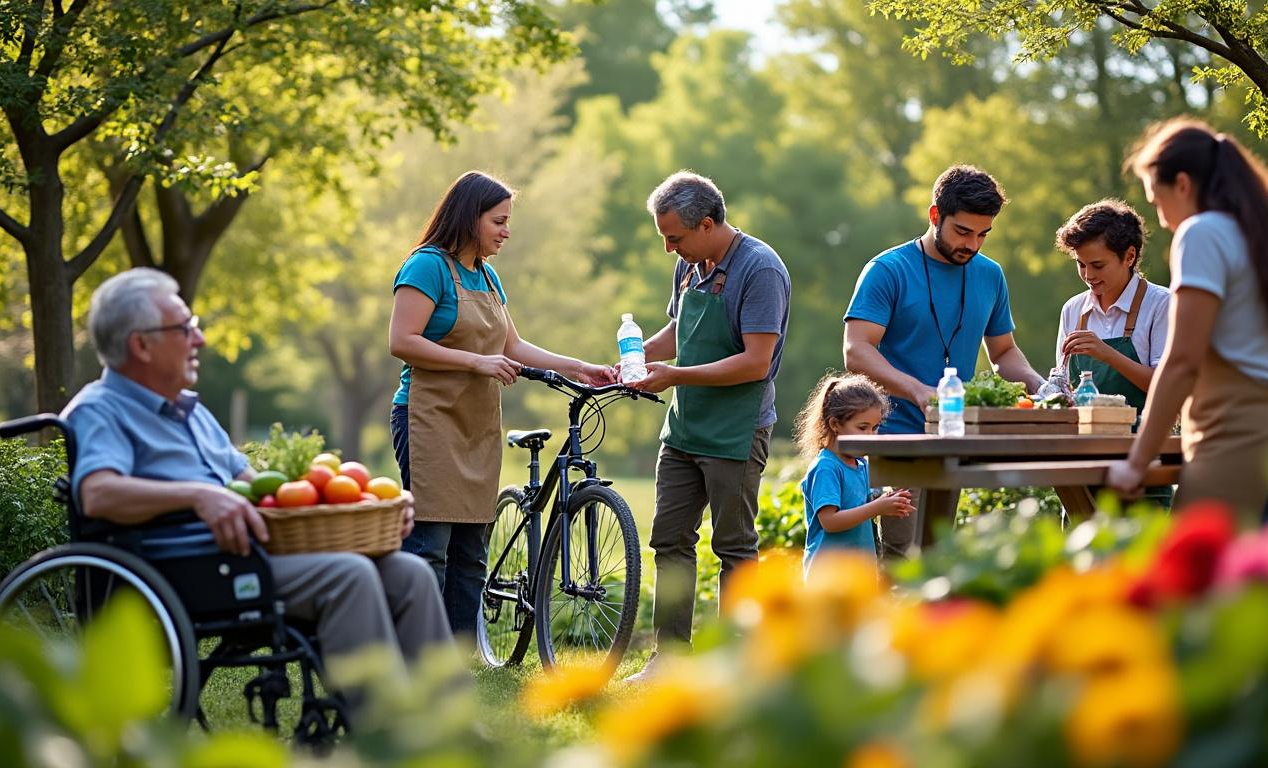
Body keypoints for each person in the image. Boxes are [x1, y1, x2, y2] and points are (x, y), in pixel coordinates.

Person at [63, 268, 452, 694]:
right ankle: (388, 740)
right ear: (141, 344)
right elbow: (97, 494)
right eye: (185, 328)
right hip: (185, 570)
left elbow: (259, 486)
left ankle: (453, 727)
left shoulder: (188, 410)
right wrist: (198, 496)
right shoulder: (99, 410)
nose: (200, 339)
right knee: (350, 575)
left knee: (409, 573)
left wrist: (360, 505)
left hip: (248, 555)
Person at [387, 170, 615, 636]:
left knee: (472, 549)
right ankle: (417, 654)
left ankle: (460, 654)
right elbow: (401, 341)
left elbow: (511, 345)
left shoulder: (487, 276)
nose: (507, 231)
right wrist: (475, 362)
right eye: (499, 221)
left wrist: (578, 367)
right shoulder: (426, 267)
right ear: (470, 217)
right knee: (431, 544)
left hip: (475, 422)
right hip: (426, 417)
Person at [1106, 119, 1268, 522]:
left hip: (1238, 451)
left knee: (1191, 584)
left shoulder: (1201, 233)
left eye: (1157, 202)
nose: (1163, 221)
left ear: (1184, 185)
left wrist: (1137, 463)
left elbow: (1182, 361)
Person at [625, 171, 791, 679]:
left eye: (674, 238)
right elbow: (681, 328)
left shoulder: (760, 269)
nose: (669, 249)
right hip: (684, 427)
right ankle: (669, 660)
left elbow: (755, 361)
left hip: (736, 432)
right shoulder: (690, 265)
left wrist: (674, 375)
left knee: (734, 548)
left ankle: (738, 665)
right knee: (669, 541)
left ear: (708, 223)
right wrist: (634, 357)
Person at [844, 164, 1044, 555]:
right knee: (902, 557)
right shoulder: (888, 270)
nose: (972, 244)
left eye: (983, 234)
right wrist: (917, 391)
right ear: (935, 215)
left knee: (936, 556)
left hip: (953, 437)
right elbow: (856, 349)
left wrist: (1039, 385)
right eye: (963, 231)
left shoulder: (990, 275)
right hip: (896, 437)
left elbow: (1003, 352)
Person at [1054, 199, 1171, 417]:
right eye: (1081, 264)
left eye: (1098, 265)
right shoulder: (1073, 309)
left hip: (1146, 440)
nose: (1088, 275)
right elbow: (1063, 388)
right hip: (1083, 444)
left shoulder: (1162, 304)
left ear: (1129, 256)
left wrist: (1107, 354)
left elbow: (1168, 387)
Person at [794, 373, 914, 580]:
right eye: (862, 427)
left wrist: (888, 502)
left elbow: (858, 506)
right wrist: (877, 507)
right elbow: (830, 521)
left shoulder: (861, 465)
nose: (870, 436)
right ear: (835, 425)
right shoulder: (826, 468)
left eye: (875, 428)